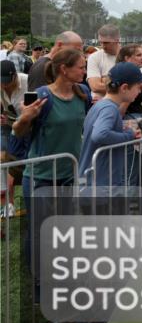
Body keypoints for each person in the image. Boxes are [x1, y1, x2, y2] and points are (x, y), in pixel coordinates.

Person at [12, 49, 91, 264]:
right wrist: (25, 118)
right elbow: (17, 133)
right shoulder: (41, 96)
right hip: (40, 176)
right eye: (81, 67)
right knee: (39, 229)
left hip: (69, 174)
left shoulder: (83, 92)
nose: (84, 71)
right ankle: (37, 278)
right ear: (64, 69)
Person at [80, 63, 142, 187]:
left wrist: (122, 132)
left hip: (94, 180)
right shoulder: (110, 109)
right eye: (138, 87)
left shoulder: (101, 105)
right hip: (101, 182)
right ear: (124, 88)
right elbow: (100, 135)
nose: (140, 91)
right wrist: (129, 135)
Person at [1, 60, 30, 206]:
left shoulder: (27, 81)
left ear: (15, 75)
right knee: (4, 160)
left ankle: (22, 200)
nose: (4, 84)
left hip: (27, 127)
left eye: (6, 81)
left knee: (24, 162)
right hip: (8, 125)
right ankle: (8, 203)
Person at [87, 24, 121, 101]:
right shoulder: (94, 57)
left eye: (106, 43)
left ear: (117, 40)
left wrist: (105, 80)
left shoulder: (130, 56)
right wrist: (121, 86)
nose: (102, 46)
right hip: (102, 105)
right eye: (101, 42)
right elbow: (95, 87)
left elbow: (137, 85)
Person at [117, 44, 142, 119]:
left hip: (138, 116)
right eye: (139, 55)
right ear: (127, 58)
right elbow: (120, 111)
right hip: (129, 120)